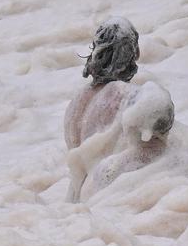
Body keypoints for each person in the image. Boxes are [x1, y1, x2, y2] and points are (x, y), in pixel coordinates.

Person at [63, 17, 179, 202]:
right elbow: (157, 118)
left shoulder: (76, 102)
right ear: (130, 54)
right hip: (109, 192)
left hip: (77, 197)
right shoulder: (125, 94)